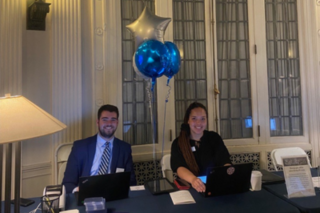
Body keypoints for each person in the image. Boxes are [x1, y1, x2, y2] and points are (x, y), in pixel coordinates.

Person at [62, 104, 136, 193]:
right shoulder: (80, 147)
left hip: (114, 196)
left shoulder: (125, 148)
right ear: (98, 122)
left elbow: (131, 182)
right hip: (86, 195)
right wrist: (79, 191)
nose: (109, 124)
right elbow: (67, 183)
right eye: (105, 120)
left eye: (113, 120)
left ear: (117, 122)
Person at [170, 102, 231, 192]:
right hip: (190, 188)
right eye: (194, 118)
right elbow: (179, 167)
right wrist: (194, 180)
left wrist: (228, 173)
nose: (199, 123)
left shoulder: (214, 138)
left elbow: (224, 160)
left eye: (203, 119)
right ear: (188, 120)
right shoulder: (178, 143)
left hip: (214, 186)